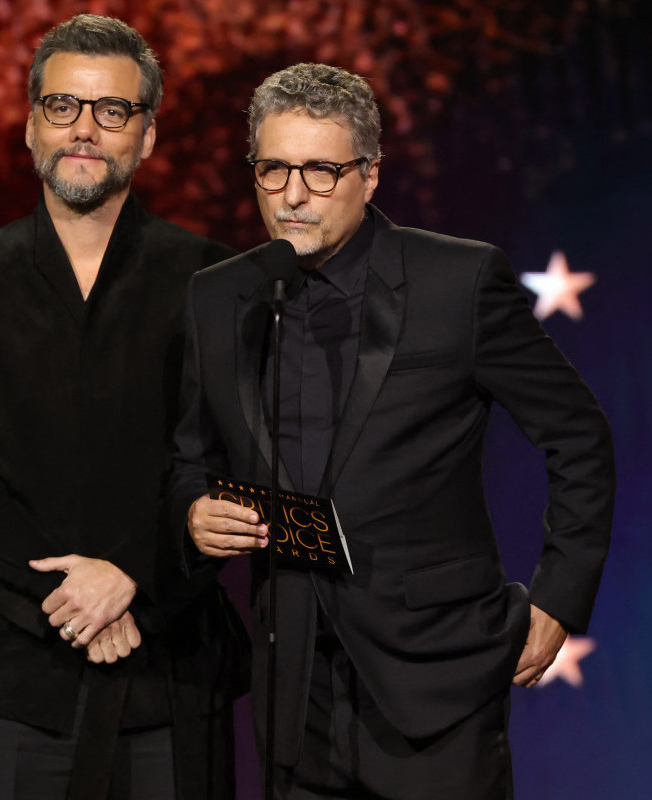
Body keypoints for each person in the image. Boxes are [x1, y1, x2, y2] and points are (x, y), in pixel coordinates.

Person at [169, 63, 616, 799]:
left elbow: (578, 434)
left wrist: (561, 596)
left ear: (370, 174)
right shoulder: (220, 295)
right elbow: (192, 455)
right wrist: (194, 511)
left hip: (435, 673)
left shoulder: (457, 282)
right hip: (292, 687)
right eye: (273, 169)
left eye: (320, 170)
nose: (292, 195)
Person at [0, 15, 246, 800]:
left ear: (148, 136)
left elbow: (229, 463)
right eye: (64, 106)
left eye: (112, 111)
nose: (85, 129)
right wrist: (72, 602)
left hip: (173, 673)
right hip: (16, 679)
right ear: (31, 125)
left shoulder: (214, 283)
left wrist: (131, 574)